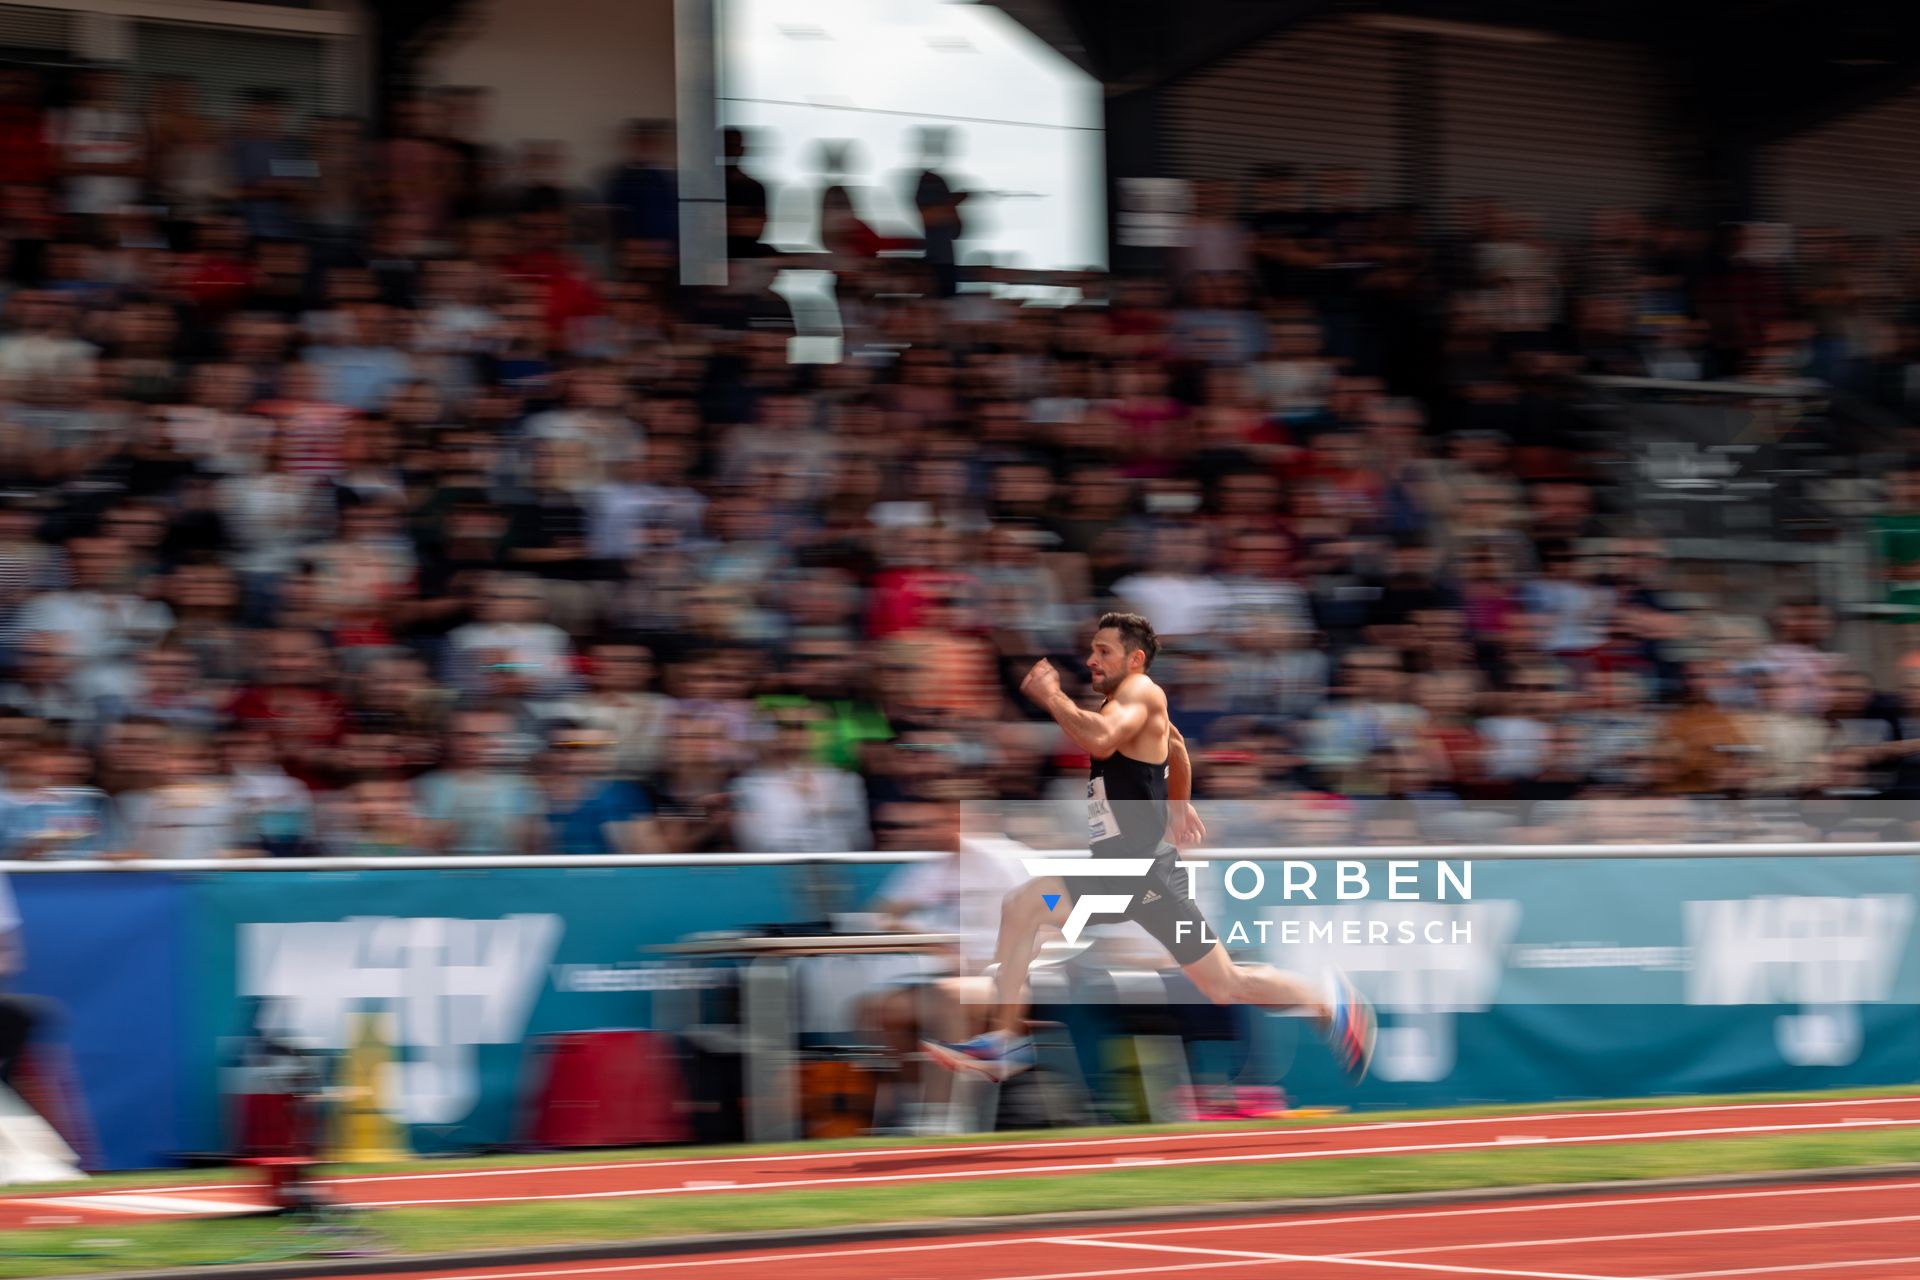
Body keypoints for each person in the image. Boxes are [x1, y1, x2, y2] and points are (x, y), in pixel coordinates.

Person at [922, 611, 1376, 1082]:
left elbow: (1099, 741)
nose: (1091, 660)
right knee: (1025, 905)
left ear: (1135, 659)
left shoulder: (1139, 691)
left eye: (1103, 651)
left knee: (1223, 984)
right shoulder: (1133, 702)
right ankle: (1004, 1040)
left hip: (1143, 880)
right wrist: (1179, 806)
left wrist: (1051, 695)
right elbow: (1177, 747)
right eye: (1092, 649)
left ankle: (1331, 1004)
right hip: (1119, 881)